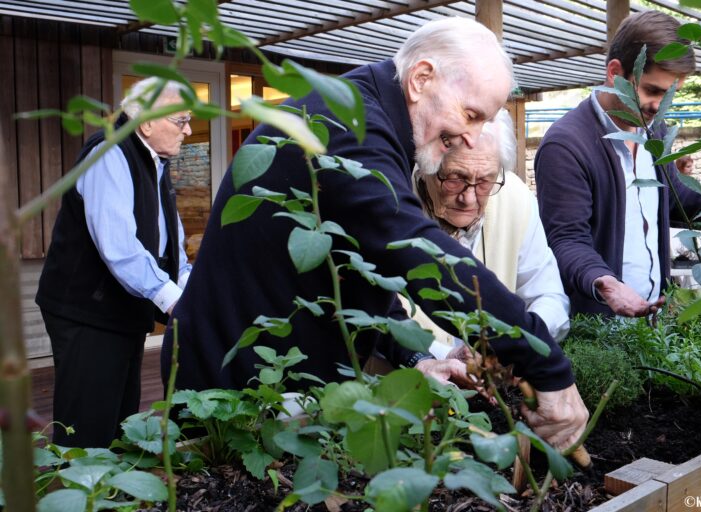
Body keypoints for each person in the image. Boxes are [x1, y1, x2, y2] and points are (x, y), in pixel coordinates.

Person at [164, 17, 588, 450]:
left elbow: (367, 264)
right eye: (471, 114)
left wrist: (418, 355)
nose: (470, 136)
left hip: (274, 385)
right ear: (421, 79)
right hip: (228, 388)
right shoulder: (351, 127)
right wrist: (544, 363)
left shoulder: (372, 116)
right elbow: (418, 253)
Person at [535, 11, 701, 318]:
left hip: (652, 325)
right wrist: (606, 284)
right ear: (615, 73)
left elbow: (677, 199)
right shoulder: (567, 145)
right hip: (598, 331)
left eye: (670, 94)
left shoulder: (652, 131)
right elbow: (565, 239)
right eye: (653, 90)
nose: (660, 106)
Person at [36, 78, 194, 448]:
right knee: (86, 426)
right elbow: (119, 247)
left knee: (121, 417)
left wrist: (189, 286)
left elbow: (171, 241)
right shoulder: (109, 153)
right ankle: (79, 499)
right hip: (85, 312)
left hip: (120, 311)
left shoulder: (155, 161)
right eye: (181, 120)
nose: (188, 130)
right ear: (148, 123)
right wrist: (173, 301)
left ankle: (112, 498)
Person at [410, 109, 570, 358]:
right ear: (426, 166)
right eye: (454, 179)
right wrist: (443, 357)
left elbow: (549, 296)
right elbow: (375, 321)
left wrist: (519, 342)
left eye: (485, 181)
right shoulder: (393, 204)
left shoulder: (515, 197)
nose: (468, 198)